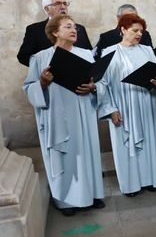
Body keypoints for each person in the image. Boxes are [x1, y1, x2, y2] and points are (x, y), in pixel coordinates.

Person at [23, 14, 104, 216]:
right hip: (57, 116)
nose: (74, 30)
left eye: (75, 27)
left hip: (83, 112)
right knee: (65, 156)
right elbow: (29, 88)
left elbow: (99, 82)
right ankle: (67, 201)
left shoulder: (86, 54)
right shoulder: (40, 58)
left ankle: (92, 195)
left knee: (86, 154)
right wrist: (42, 83)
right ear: (55, 32)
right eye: (68, 26)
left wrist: (94, 87)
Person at [96, 13, 156, 197]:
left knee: (149, 141)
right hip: (122, 105)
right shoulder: (109, 52)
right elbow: (102, 83)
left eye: (141, 31)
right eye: (135, 30)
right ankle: (131, 185)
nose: (138, 34)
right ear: (123, 30)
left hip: (145, 102)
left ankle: (151, 180)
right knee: (124, 146)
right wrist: (110, 109)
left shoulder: (147, 51)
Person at [17, 0, 91, 67]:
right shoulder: (34, 29)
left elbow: (89, 52)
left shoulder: (80, 29)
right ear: (47, 9)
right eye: (58, 3)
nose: (63, 7)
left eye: (65, 3)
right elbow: (23, 56)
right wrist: (42, 67)